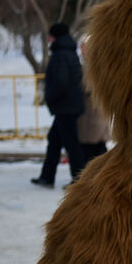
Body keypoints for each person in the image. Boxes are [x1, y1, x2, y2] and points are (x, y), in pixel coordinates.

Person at [31, 23, 86, 188]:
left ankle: (80, 181)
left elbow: (61, 83)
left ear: (55, 37)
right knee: (54, 141)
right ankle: (47, 176)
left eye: (50, 36)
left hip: (65, 107)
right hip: (68, 106)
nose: (48, 39)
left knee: (71, 145)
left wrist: (50, 96)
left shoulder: (60, 55)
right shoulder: (69, 52)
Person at [76, 37, 111, 166]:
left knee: (90, 149)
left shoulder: (89, 65)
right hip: (98, 112)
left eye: (83, 46)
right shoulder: (101, 63)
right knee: (99, 148)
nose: (81, 49)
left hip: (91, 112)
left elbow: (87, 86)